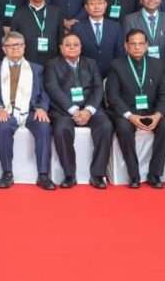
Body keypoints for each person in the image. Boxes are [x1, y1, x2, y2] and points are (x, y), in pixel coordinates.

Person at [44, 33, 114, 189]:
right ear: (61, 48)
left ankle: (98, 175)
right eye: (68, 45)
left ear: (81, 47)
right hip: (64, 110)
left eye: (76, 45)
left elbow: (98, 88)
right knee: (61, 129)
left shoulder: (91, 63)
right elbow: (53, 89)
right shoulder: (52, 64)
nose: (72, 48)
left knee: (106, 126)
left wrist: (88, 110)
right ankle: (69, 175)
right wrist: (74, 110)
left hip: (90, 108)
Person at [105, 29, 165, 188]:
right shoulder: (116, 65)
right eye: (133, 44)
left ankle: (155, 174)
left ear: (147, 45)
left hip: (152, 112)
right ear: (126, 46)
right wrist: (130, 116)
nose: (137, 47)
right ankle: (134, 175)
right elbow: (113, 96)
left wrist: (157, 115)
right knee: (123, 128)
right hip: (127, 113)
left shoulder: (158, 64)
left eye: (141, 44)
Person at [0, 31, 52, 189]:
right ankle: (7, 173)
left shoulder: (36, 69)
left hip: (30, 111)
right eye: (11, 46)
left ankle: (43, 175)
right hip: (6, 111)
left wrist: (42, 108)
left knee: (44, 126)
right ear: (4, 49)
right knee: (3, 127)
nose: (15, 48)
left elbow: (44, 93)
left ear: (24, 47)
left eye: (19, 45)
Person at [9, 0, 63, 65]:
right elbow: (14, 39)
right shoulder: (18, 13)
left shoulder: (56, 12)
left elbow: (61, 37)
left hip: (53, 62)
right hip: (27, 62)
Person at [70, 0, 124, 77]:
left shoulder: (115, 26)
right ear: (86, 7)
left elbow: (120, 52)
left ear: (105, 5)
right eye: (92, 3)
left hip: (111, 73)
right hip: (86, 74)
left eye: (100, 3)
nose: (96, 7)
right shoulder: (77, 28)